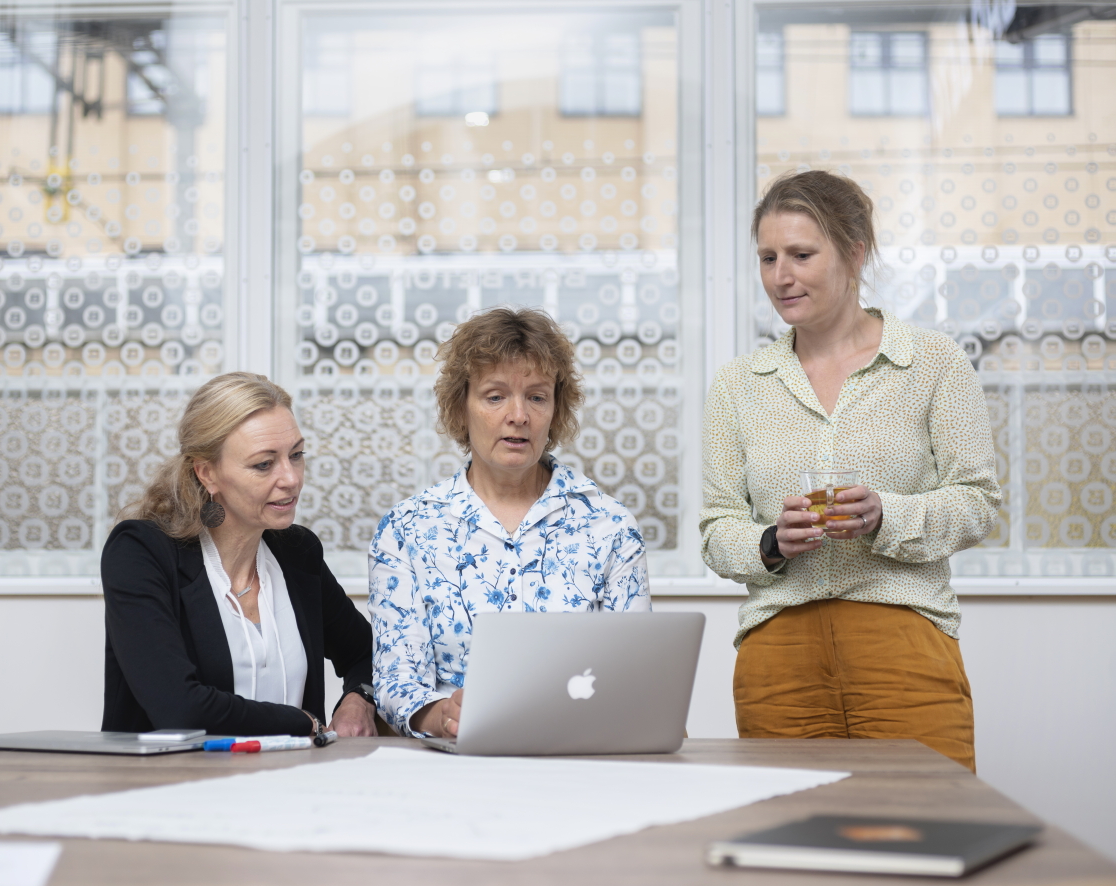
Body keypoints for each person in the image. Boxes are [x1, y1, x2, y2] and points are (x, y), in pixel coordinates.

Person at [700, 170, 1000, 772]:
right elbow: (715, 528)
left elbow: (978, 502)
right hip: (777, 656)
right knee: (790, 843)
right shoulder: (738, 386)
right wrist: (770, 541)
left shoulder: (932, 364)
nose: (780, 276)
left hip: (904, 642)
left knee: (927, 831)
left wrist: (887, 513)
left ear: (855, 253)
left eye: (801, 255)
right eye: (767, 257)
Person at [369, 307, 651, 739]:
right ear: (461, 407)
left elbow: (636, 673)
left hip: (584, 752)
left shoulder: (609, 525)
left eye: (536, 397)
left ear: (555, 410)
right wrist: (442, 715)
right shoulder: (407, 529)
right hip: (455, 761)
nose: (518, 415)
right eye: (495, 396)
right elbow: (395, 681)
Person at [101, 372, 377, 738]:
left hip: (293, 786)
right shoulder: (141, 553)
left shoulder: (297, 553)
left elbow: (369, 653)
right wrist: (304, 724)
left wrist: (358, 700)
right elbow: (179, 708)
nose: (291, 478)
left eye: (296, 455)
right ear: (207, 473)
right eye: (264, 464)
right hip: (173, 788)